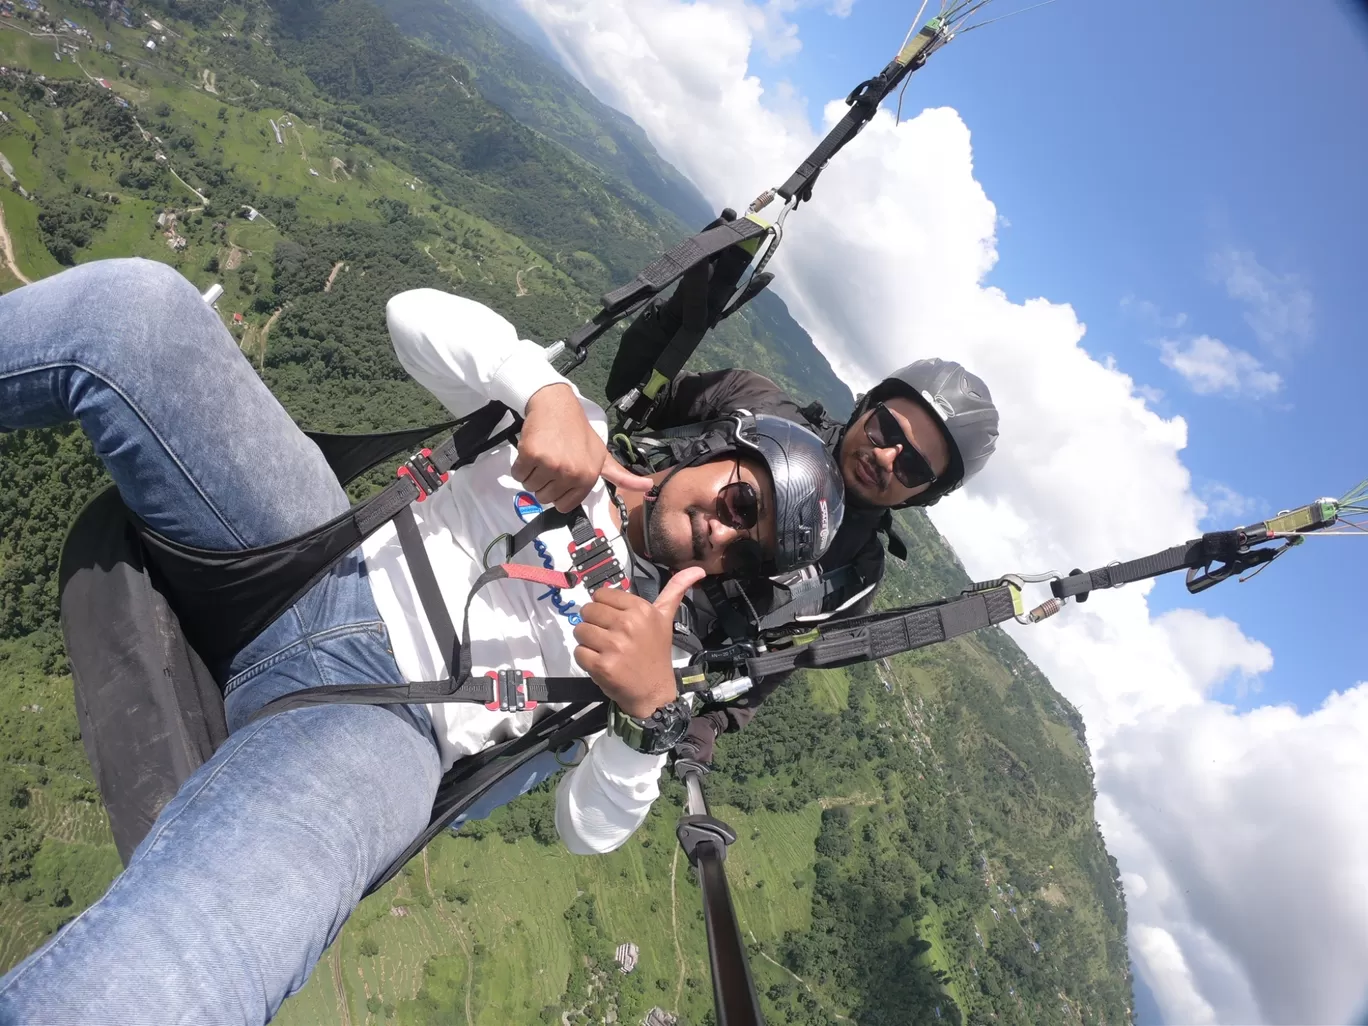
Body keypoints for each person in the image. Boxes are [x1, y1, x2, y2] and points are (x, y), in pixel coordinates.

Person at [0, 258, 844, 1025]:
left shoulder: (665, 662)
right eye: (740, 504)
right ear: (714, 455)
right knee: (136, 314)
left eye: (746, 552)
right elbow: (410, 315)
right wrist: (539, 390)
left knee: (195, 956)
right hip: (321, 557)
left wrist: (642, 723)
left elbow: (583, 830)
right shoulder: (570, 426)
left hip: (390, 728)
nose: (719, 536)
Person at [641, 361, 999, 762]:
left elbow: (776, 661)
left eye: (912, 467)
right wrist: (675, 323)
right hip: (584, 533)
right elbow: (641, 399)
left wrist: (713, 723)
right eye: (886, 428)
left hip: (641, 671)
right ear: (866, 407)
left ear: (922, 496)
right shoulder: (758, 409)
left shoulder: (854, 576)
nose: (885, 457)